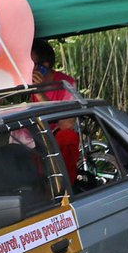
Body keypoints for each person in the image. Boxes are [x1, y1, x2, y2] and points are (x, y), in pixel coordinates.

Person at [30, 39, 81, 180]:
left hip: (59, 140)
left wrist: (39, 93)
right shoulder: (29, 83)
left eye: (31, 64)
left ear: (44, 67)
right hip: (39, 137)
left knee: (66, 137)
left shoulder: (66, 84)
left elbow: (67, 124)